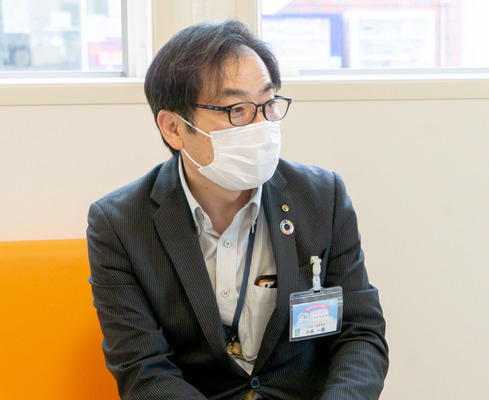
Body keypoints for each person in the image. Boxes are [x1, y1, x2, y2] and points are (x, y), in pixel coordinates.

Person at [86, 19, 388, 400]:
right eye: (237, 110)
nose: (261, 125)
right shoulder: (118, 225)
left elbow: (361, 334)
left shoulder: (322, 198)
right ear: (174, 128)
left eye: (268, 104)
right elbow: (142, 368)